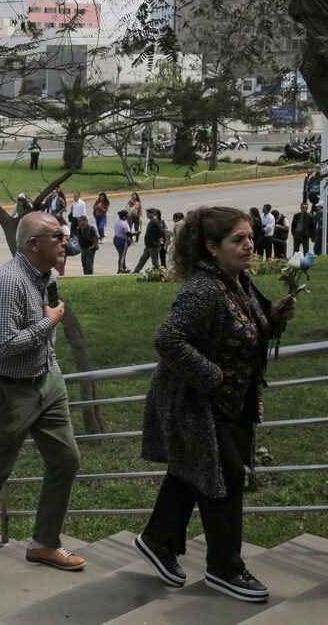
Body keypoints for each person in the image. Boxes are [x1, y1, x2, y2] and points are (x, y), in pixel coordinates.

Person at [136, 206, 297, 603]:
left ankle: (158, 540)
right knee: (225, 478)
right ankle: (225, 569)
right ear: (212, 247)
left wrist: (273, 319)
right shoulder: (203, 290)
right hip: (199, 404)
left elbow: (246, 333)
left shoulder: (237, 281)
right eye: (237, 239)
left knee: (194, 470)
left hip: (231, 404)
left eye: (249, 236)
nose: (249, 244)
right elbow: (169, 339)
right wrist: (213, 376)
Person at [0, 211, 84, 590]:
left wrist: (51, 365)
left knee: (66, 459)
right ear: (32, 245)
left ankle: (44, 542)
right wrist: (49, 323)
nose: (64, 239)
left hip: (46, 384)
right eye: (56, 235)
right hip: (6, 390)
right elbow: (3, 346)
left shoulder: (45, 275)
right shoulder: (8, 283)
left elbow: (40, 332)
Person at [134, 208, 165, 273]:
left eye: (149, 213)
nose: (147, 214)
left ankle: (161, 274)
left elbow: (161, 232)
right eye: (147, 213)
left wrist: (156, 241)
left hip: (153, 246)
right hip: (148, 246)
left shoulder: (155, 222)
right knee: (142, 259)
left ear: (153, 214)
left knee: (155, 263)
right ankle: (136, 271)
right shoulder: (151, 221)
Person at [113, 209, 132, 274]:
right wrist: (136, 233)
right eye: (127, 215)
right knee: (122, 256)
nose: (128, 216)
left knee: (121, 254)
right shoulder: (125, 224)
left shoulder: (117, 220)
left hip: (115, 239)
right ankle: (120, 269)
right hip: (122, 240)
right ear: (124, 217)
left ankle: (124, 268)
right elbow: (129, 235)